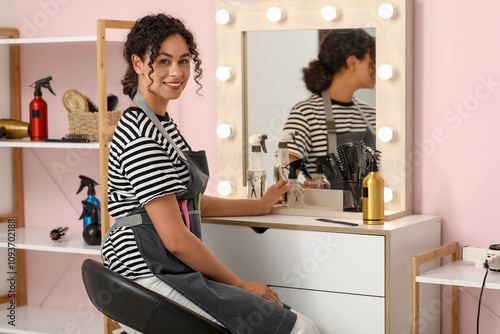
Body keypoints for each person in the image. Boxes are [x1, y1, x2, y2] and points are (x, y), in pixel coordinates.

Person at [101, 13, 319, 334]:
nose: (176, 72)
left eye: (184, 61)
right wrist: (241, 284)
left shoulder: (160, 125)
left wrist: (257, 206)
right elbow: (175, 239)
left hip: (168, 269)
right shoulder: (141, 135)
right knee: (299, 328)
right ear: (137, 63)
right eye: (163, 61)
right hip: (148, 272)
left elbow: (188, 202)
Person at [283, 29, 376, 189]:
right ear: (352, 62)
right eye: (372, 59)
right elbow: (286, 171)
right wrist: (304, 185)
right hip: (325, 211)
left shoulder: (372, 114)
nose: (376, 66)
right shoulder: (306, 113)